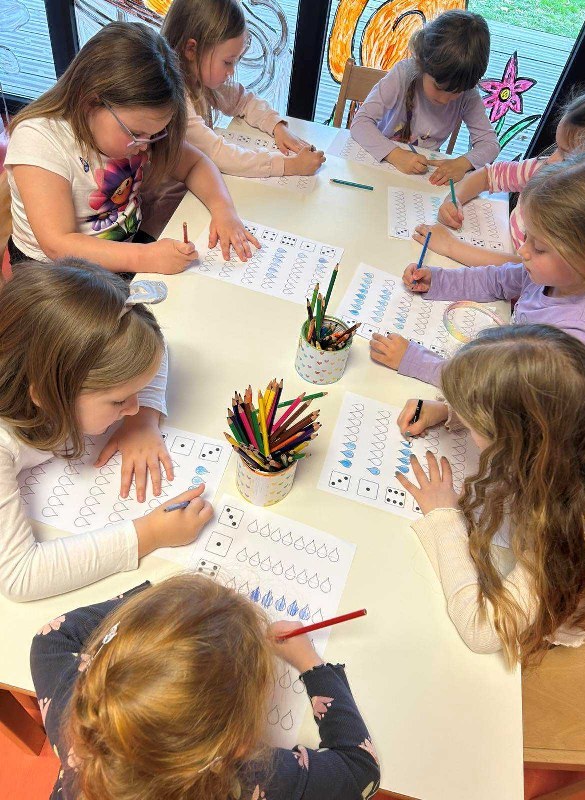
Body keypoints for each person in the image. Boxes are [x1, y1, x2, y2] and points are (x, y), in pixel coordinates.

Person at [30, 574, 381, 799]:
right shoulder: (251, 779)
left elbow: (51, 637)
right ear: (240, 744)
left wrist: (155, 610)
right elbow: (360, 770)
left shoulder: (78, 710)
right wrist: (311, 664)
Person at [0, 260, 212, 601]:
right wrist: (149, 534)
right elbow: (19, 576)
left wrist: (142, 420)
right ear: (47, 396)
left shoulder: (51, 375)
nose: (132, 406)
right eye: (119, 401)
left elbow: (156, 350)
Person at [394, 325, 585, 666]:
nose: (469, 428)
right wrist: (451, 412)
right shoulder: (571, 434)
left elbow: (482, 631)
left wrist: (444, 517)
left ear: (513, 439)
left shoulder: (577, 534)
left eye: (476, 424)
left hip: (549, 607)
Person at [4, 22, 258, 275]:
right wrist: (146, 257)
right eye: (136, 134)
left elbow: (196, 164)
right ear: (90, 100)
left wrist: (224, 212)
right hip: (53, 274)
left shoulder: (135, 128)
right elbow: (58, 245)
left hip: (123, 253)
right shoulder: (39, 139)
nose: (145, 145)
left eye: (154, 134)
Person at [369, 147, 585, 386]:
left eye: (540, 247)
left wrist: (417, 362)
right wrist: (437, 281)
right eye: (527, 236)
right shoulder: (555, 276)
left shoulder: (576, 336)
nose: (522, 251)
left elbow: (501, 389)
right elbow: (496, 281)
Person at [414, 89, 585, 267]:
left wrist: (451, 246)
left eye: (566, 155)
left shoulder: (579, 216)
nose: (551, 159)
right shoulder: (542, 169)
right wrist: (453, 200)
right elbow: (488, 175)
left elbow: (524, 270)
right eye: (556, 147)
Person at [162, 0, 325, 180]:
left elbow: (244, 101)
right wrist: (290, 165)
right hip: (176, 194)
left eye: (235, 61)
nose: (232, 71)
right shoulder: (176, 100)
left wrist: (277, 127)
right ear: (191, 49)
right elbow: (218, 154)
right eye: (227, 62)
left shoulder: (198, 77)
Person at [350, 10, 499, 185]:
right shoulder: (403, 74)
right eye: (438, 88)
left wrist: (462, 163)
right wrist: (395, 155)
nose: (445, 99)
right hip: (379, 164)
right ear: (422, 63)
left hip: (420, 178)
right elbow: (360, 123)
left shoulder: (468, 94)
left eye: (456, 92)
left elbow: (490, 144)